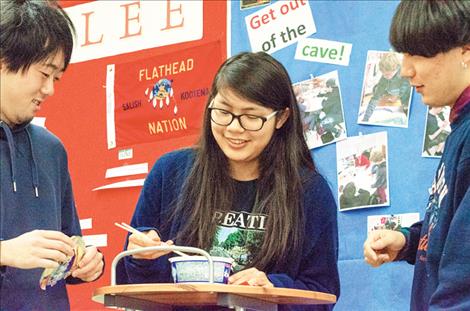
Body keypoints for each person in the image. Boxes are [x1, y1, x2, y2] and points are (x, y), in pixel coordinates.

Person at [118, 52, 340, 310]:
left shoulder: (309, 191)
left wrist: (272, 288)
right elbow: (131, 282)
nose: (234, 128)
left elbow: (322, 293)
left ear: (281, 118)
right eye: (223, 112)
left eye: (251, 116)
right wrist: (142, 259)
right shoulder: (170, 172)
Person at [363, 1, 470, 310]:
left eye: (418, 54)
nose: (406, 70)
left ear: (465, 51)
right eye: (403, 54)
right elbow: (454, 233)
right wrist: (409, 242)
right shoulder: (460, 126)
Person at [0, 1, 104, 310]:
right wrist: (5, 252)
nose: (49, 90)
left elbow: (70, 241)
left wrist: (84, 263)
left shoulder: (51, 149)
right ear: (4, 61)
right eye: (44, 74)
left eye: (56, 78)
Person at [361, 52, 411, 122]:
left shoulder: (405, 72)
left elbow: (405, 89)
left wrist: (397, 97)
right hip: (394, 90)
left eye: (387, 74)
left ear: (396, 69)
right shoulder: (384, 78)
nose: (385, 76)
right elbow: (375, 98)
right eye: (383, 74)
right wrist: (365, 118)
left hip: (407, 93)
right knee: (376, 89)